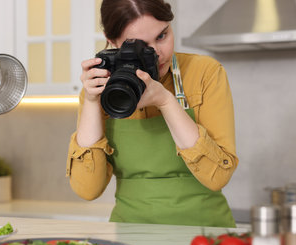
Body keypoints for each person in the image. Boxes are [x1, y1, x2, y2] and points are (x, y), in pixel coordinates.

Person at [66, 0, 238, 227]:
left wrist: (166, 102)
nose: (157, 53)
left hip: (206, 236)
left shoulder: (205, 73)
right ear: (112, 41)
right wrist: (90, 101)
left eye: (162, 36)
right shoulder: (101, 87)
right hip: (133, 235)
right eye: (141, 45)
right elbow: (88, 189)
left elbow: (218, 177)